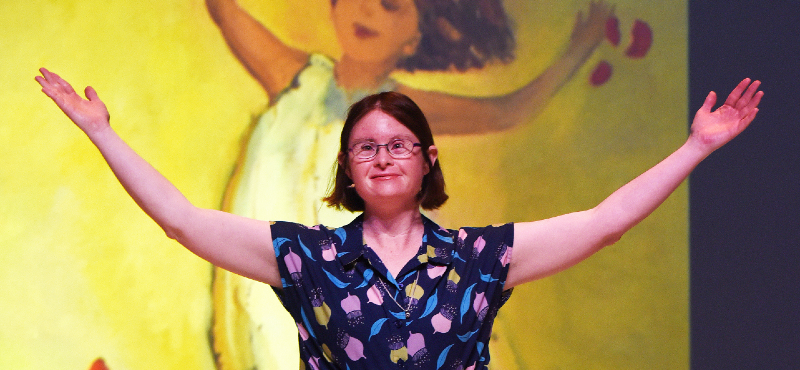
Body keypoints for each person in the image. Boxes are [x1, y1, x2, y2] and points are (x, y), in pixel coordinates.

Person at [35, 68, 762, 369]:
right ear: (347, 167)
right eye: (364, 148)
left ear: (428, 158)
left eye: (396, 145)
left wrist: (696, 147)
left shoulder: (480, 258)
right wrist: (102, 132)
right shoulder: (307, 257)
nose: (381, 158)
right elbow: (182, 221)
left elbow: (605, 222)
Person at [206, 1, 616, 365]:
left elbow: (508, 111)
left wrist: (582, 45)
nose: (366, 11)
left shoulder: (403, 113)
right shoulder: (294, 75)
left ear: (415, 35)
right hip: (272, 281)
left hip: (349, 304)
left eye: (390, 6)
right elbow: (224, 9)